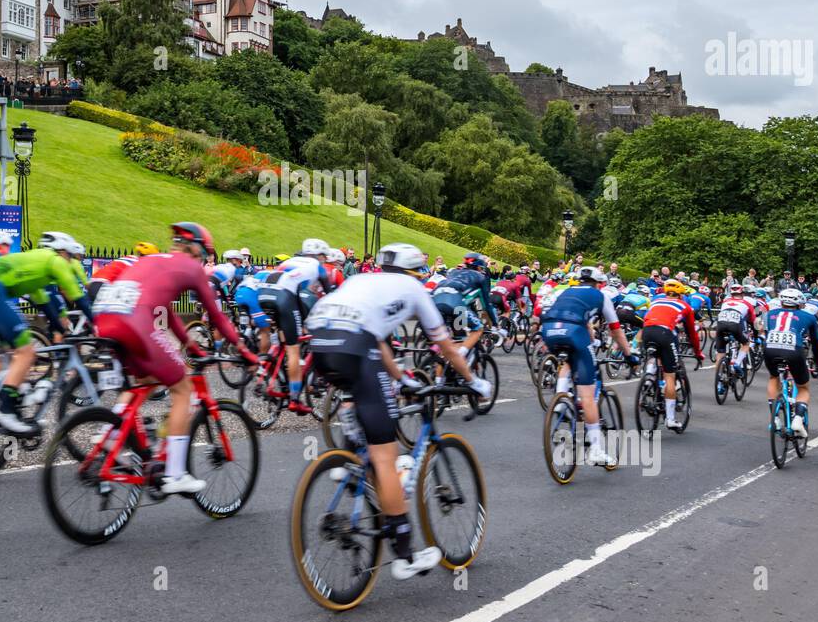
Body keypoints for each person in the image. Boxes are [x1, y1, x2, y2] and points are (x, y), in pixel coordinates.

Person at [307, 243, 492, 579]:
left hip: (322, 341)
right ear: (417, 271)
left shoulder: (364, 281)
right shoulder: (413, 289)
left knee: (364, 404)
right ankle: (405, 555)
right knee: (385, 456)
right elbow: (446, 346)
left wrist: (401, 377)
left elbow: (376, 341)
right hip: (356, 347)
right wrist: (474, 381)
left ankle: (349, 461)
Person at [95, 223, 258, 494]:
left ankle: (109, 433)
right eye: (205, 253)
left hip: (105, 317)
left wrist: (188, 343)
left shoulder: (153, 260)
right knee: (182, 387)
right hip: (134, 320)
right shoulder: (191, 267)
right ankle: (175, 474)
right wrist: (245, 351)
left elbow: (166, 312)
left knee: (143, 381)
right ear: (196, 249)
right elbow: (216, 316)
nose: (205, 259)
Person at [0, 232, 96, 435]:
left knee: (8, 355)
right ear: (61, 252)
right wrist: (98, 326)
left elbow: (47, 307)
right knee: (26, 352)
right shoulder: (55, 261)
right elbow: (80, 298)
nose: (70, 260)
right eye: (69, 255)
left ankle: (8, 395)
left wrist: (63, 332)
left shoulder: (35, 265)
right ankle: (6, 411)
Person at [538, 265, 641, 467]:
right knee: (588, 393)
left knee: (569, 359)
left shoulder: (567, 290)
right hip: (574, 333)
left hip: (549, 330)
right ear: (599, 283)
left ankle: (561, 398)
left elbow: (582, 322)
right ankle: (596, 450)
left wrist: (591, 339)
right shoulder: (601, 296)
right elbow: (616, 331)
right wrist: (628, 355)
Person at [258, 239, 336, 415]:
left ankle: (267, 366)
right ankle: (294, 399)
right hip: (283, 297)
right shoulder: (317, 266)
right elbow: (331, 296)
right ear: (321, 256)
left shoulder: (290, 262)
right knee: (293, 350)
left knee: (283, 341)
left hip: (263, 294)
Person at [762, 288, 818, 438]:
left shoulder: (770, 314)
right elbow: (816, 345)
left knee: (773, 377)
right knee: (803, 387)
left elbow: (768, 332)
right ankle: (797, 419)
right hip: (794, 350)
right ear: (800, 303)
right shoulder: (809, 317)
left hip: (770, 349)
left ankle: (775, 418)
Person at [641, 280, 703, 431]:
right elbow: (692, 334)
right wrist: (698, 353)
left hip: (647, 331)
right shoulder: (685, 306)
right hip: (665, 333)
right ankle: (670, 419)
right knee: (670, 375)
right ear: (681, 295)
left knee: (653, 355)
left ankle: (649, 376)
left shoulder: (656, 300)